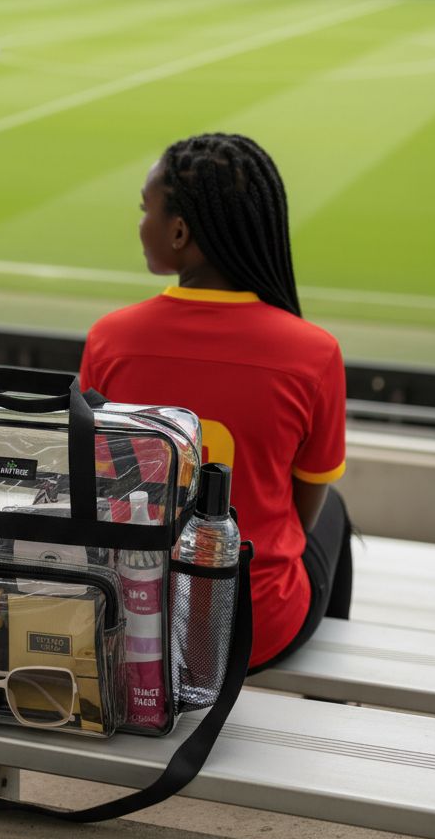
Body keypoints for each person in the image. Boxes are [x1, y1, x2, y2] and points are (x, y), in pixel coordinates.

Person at [79, 132, 352, 670]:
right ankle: (332, 682)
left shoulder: (110, 339)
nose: (140, 223)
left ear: (179, 232)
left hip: (138, 617)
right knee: (336, 511)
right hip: (257, 629)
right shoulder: (315, 352)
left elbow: (98, 479)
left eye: (145, 210)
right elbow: (302, 513)